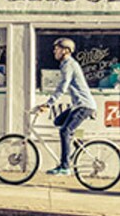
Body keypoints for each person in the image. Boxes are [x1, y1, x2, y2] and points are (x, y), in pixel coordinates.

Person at [36, 38, 96, 175]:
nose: (54, 51)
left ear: (65, 50)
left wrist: (49, 103)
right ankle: (79, 145)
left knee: (65, 131)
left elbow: (63, 86)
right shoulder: (66, 64)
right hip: (78, 105)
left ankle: (65, 166)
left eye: (56, 48)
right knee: (58, 121)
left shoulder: (68, 64)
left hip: (84, 105)